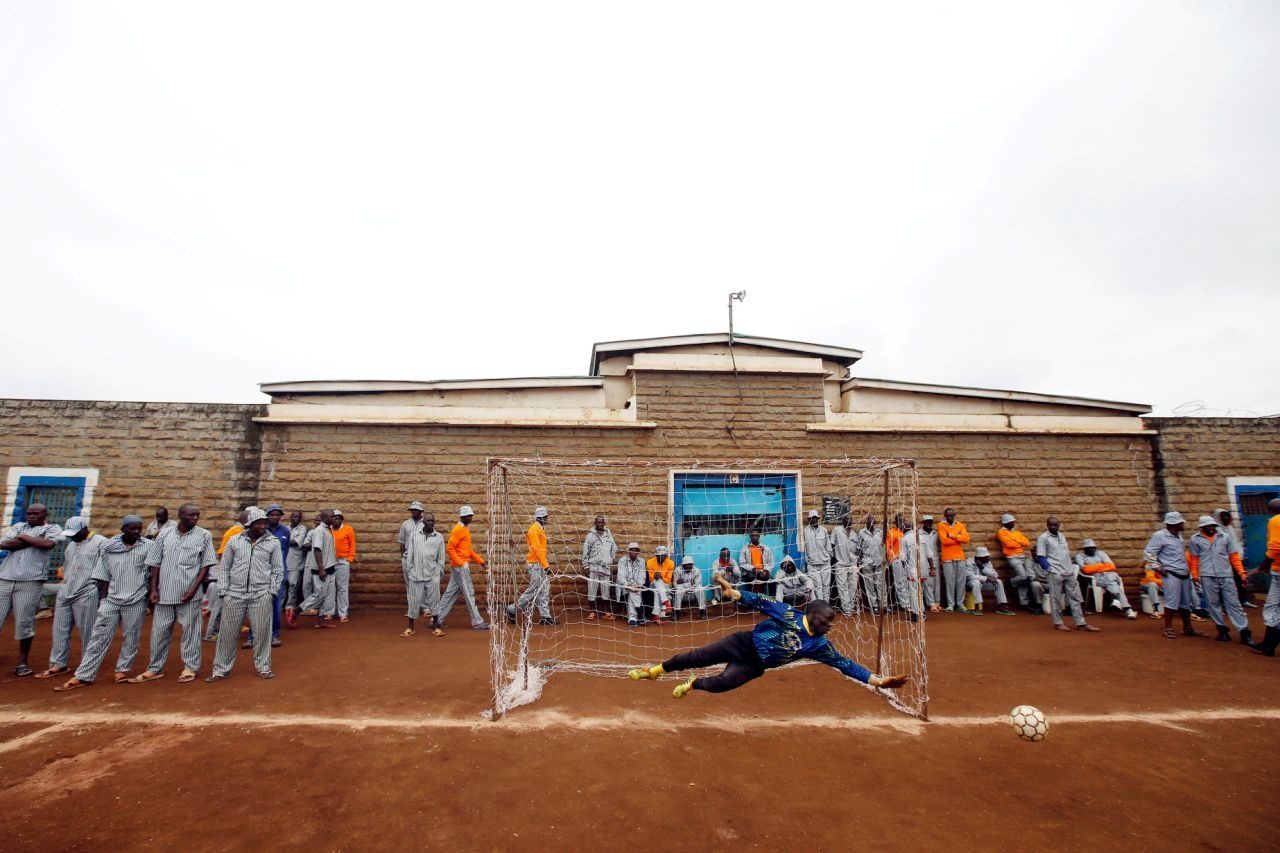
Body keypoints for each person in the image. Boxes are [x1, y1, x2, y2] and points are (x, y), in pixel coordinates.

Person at [627, 574, 909, 698]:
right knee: (697, 656)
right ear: (813, 614)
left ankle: (694, 685)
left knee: (723, 684)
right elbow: (759, 601)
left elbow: (845, 664)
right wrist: (734, 593)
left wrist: (878, 680)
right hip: (742, 643)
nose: (830, 625)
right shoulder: (788, 614)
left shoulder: (819, 645)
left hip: (754, 665)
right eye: (827, 620)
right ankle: (655, 670)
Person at [54, 516, 153, 691]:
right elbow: (103, 575)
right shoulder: (109, 547)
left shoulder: (148, 546)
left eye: (139, 528)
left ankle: (122, 670)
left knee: (131, 637)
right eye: (132, 529)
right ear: (123, 529)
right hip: (112, 600)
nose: (137, 532)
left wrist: (149, 595)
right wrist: (104, 598)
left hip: (136, 599)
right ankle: (83, 675)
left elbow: (153, 571)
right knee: (98, 637)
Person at [131, 503, 217, 683]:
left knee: (190, 632)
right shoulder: (165, 534)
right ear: (180, 516)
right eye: (191, 515)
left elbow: (206, 564)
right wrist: (153, 589)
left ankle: (190, 667)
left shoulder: (204, 535)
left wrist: (194, 589)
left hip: (189, 594)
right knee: (159, 632)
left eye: (197, 515)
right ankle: (155, 668)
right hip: (164, 593)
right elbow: (155, 562)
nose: (195, 518)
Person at [206, 507, 284, 682]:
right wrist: (224, 591)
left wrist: (271, 591)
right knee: (227, 634)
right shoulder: (234, 541)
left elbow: (278, 570)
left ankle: (263, 667)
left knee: (262, 633)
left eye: (265, 523)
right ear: (250, 525)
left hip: (261, 593)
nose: (263, 526)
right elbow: (224, 567)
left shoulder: (273, 542)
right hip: (235, 593)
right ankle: (220, 670)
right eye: (259, 523)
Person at [36, 517, 107, 679]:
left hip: (86, 592)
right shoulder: (71, 545)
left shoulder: (101, 543)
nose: (71, 537)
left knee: (87, 630)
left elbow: (106, 570)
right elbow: (67, 568)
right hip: (65, 592)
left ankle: (87, 664)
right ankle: (57, 664)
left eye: (74, 534)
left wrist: (102, 595)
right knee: (59, 630)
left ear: (85, 529)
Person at [0, 504, 63, 677]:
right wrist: (31, 539)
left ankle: (22, 662)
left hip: (30, 581)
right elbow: (5, 544)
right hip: (4, 578)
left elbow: (48, 544)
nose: (31, 516)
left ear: (45, 514)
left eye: (36, 513)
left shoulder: (53, 528)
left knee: (24, 623)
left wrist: (22, 539)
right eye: (29, 513)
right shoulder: (19, 526)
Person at [1188, 516, 1253, 646]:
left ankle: (1244, 631)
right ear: (1202, 528)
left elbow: (1234, 557)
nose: (1211, 528)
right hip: (1207, 575)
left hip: (1226, 574)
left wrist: (1241, 573)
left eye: (1213, 526)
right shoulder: (1195, 540)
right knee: (1213, 603)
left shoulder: (1225, 537)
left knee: (1233, 603)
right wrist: (1195, 575)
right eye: (1208, 527)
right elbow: (1194, 559)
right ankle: (1222, 629)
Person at [1145, 511, 1204, 641]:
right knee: (1171, 601)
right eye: (1180, 523)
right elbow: (1149, 553)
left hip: (1183, 572)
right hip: (1171, 573)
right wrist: (1158, 568)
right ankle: (1168, 627)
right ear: (1174, 524)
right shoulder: (1160, 536)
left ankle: (1187, 627)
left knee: (1186, 603)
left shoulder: (1178, 536)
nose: (1183, 524)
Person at [1036, 517, 1100, 633]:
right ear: (1047, 525)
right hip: (1055, 572)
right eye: (1050, 525)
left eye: (1055, 525)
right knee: (1056, 599)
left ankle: (1081, 623)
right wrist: (1050, 569)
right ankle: (1058, 623)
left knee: (1075, 597)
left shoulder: (1062, 536)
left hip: (1068, 571)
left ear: (1059, 525)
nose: (1053, 527)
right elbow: (1040, 557)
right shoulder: (1043, 538)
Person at [439, 505, 490, 630]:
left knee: (449, 594)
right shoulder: (458, 530)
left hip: (459, 567)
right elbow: (449, 548)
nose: (471, 517)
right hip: (461, 568)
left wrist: (481, 561)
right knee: (469, 593)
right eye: (469, 516)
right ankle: (477, 621)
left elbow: (468, 550)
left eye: (471, 515)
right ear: (462, 517)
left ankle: (435, 619)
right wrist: (461, 563)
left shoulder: (465, 529)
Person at [508, 506, 556, 626]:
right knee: (534, 590)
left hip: (541, 563)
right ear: (540, 517)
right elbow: (536, 549)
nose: (546, 518)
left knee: (544, 590)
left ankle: (545, 616)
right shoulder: (533, 529)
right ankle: (512, 609)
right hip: (535, 564)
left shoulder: (541, 528)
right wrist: (546, 565)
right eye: (545, 517)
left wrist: (544, 564)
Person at [206, 509, 247, 643]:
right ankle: (211, 632)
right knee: (219, 604)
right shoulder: (234, 532)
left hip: (234, 574)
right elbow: (222, 554)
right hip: (226, 575)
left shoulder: (242, 532)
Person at [403, 512, 446, 637]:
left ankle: (436, 627)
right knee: (413, 601)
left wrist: (438, 572)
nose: (431, 523)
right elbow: (409, 554)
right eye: (428, 521)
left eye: (432, 521)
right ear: (423, 522)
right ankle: (410, 627)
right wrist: (410, 570)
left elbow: (441, 558)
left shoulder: (438, 537)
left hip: (432, 575)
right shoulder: (414, 536)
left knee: (434, 601)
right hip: (416, 575)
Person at [1075, 538, 1137, 620]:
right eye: (1089, 548)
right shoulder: (1079, 556)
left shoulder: (1101, 553)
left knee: (1110, 578)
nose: (1092, 549)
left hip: (1110, 575)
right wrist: (1102, 566)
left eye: (1093, 547)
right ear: (1085, 549)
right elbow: (1086, 570)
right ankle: (1127, 609)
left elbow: (1112, 566)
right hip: (1097, 578)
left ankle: (1115, 599)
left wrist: (1094, 568)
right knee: (1115, 585)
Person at [295, 509, 338, 629]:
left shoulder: (327, 529)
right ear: (325, 517)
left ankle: (320, 620)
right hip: (321, 568)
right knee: (318, 595)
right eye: (332, 517)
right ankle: (297, 610)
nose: (334, 519)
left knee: (326, 595)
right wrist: (321, 568)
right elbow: (317, 550)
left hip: (329, 567)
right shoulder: (319, 531)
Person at [1248, 498, 1280, 656]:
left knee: (1273, 608)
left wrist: (1264, 565)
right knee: (1274, 608)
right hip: (1277, 571)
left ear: (1269, 510)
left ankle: (1268, 645)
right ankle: (1268, 645)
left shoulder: (1275, 520)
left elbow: (1276, 546)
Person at [258, 503, 290, 648]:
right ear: (267, 515)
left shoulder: (285, 531)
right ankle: (254, 636)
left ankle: (274, 635)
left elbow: (286, 551)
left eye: (277, 514)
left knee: (276, 606)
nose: (275, 517)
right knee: (257, 606)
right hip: (261, 573)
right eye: (272, 514)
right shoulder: (260, 530)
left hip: (278, 574)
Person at [998, 514, 1044, 613]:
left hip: (1022, 556)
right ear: (1006, 523)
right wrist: (1018, 542)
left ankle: (1024, 603)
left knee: (1026, 579)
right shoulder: (1001, 532)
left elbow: (1026, 543)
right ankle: (1011, 583)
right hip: (1012, 557)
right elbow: (1008, 544)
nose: (1014, 523)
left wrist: (1015, 540)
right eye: (1012, 522)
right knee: (1023, 576)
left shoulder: (1017, 532)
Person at [1215, 507, 1257, 609]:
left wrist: (1240, 555)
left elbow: (1235, 543)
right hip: (1225, 561)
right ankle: (1225, 603)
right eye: (1223, 516)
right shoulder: (1217, 530)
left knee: (1241, 580)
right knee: (1227, 583)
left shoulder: (1230, 528)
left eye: (1226, 516)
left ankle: (1243, 600)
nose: (1225, 518)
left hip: (1237, 559)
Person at [581, 515, 618, 621]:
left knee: (605, 590)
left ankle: (605, 612)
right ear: (595, 524)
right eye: (598, 522)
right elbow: (585, 552)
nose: (600, 524)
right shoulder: (590, 536)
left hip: (605, 568)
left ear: (604, 524)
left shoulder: (609, 536)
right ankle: (592, 612)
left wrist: (610, 559)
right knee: (592, 590)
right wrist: (586, 566)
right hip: (594, 566)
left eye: (602, 522)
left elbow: (614, 548)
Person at [937, 508, 970, 613]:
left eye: (952, 515)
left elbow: (966, 539)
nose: (950, 517)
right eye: (948, 516)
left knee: (961, 582)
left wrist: (952, 535)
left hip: (960, 557)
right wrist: (958, 538)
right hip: (947, 559)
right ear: (945, 516)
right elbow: (944, 541)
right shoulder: (941, 525)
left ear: (954, 515)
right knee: (950, 582)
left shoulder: (959, 524)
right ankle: (951, 604)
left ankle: (960, 604)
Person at [965, 547, 1014, 616]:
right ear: (979, 557)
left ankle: (1001, 606)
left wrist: (982, 567)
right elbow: (969, 576)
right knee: (976, 582)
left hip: (983, 584)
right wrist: (986, 578)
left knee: (998, 582)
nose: (988, 558)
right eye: (986, 557)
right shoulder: (969, 562)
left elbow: (995, 575)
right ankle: (977, 607)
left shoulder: (987, 563)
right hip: (971, 584)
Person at [855, 514, 887, 613]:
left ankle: (884, 605)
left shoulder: (879, 532)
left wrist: (884, 558)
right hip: (867, 562)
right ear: (867, 522)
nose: (872, 523)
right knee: (870, 585)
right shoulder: (861, 532)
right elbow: (858, 549)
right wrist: (861, 561)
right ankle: (874, 606)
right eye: (870, 521)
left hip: (879, 562)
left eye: (873, 521)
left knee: (881, 584)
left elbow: (883, 546)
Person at [330, 509, 357, 622]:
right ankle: (330, 612)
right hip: (330, 561)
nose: (336, 520)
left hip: (342, 561)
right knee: (330, 588)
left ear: (341, 520)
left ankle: (342, 613)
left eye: (339, 518)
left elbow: (352, 544)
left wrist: (349, 558)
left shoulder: (347, 529)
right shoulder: (328, 529)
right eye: (334, 518)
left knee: (342, 588)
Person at [801, 510, 832, 602]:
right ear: (809, 519)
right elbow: (804, 548)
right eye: (812, 518)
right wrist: (807, 561)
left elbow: (828, 546)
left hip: (825, 563)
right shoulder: (805, 531)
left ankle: (826, 605)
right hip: (812, 564)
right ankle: (821, 606)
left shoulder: (823, 530)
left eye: (816, 518)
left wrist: (828, 557)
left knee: (826, 585)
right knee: (817, 586)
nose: (814, 520)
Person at [284, 509, 310, 621]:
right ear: (290, 517)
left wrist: (283, 540)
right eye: (294, 517)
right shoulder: (285, 528)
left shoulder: (302, 529)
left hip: (296, 562)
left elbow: (295, 542)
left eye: (298, 517)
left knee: (293, 586)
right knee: (282, 586)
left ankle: (289, 607)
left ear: (300, 519)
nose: (295, 519)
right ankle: (279, 607)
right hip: (283, 561)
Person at [830, 515, 858, 615]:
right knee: (842, 586)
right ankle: (846, 608)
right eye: (847, 518)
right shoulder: (837, 530)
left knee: (853, 586)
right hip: (840, 563)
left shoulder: (854, 534)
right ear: (843, 520)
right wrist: (835, 559)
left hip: (852, 564)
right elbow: (832, 544)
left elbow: (857, 549)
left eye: (850, 518)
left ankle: (850, 606)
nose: (849, 520)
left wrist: (856, 559)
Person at [617, 542, 648, 626]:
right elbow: (621, 577)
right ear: (629, 551)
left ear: (638, 552)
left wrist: (637, 585)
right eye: (632, 550)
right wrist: (629, 586)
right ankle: (641, 615)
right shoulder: (622, 560)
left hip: (637, 586)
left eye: (636, 550)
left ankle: (632, 618)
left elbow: (642, 576)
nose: (634, 552)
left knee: (633, 593)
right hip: (624, 584)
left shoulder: (641, 561)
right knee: (633, 592)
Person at [916, 515, 941, 613]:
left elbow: (938, 546)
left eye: (930, 522)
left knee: (937, 582)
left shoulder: (936, 533)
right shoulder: (919, 533)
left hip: (935, 559)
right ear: (923, 523)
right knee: (928, 582)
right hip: (924, 560)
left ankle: (937, 602)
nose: (929, 524)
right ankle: (931, 603)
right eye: (927, 522)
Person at [737, 530, 774, 595]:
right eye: (752, 536)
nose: (754, 537)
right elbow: (742, 563)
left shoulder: (765, 548)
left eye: (756, 535)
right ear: (750, 537)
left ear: (759, 536)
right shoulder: (745, 548)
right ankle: (752, 598)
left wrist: (766, 570)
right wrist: (753, 569)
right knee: (751, 577)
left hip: (763, 571)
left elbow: (771, 562)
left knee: (772, 580)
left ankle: (771, 600)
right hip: (750, 571)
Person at [397, 501, 425, 585]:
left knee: (420, 582)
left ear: (420, 511)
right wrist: (403, 558)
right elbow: (402, 542)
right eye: (412, 509)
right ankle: (410, 599)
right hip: (407, 557)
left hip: (421, 558)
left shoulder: (426, 523)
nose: (414, 511)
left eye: (416, 510)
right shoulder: (405, 524)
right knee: (408, 582)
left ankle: (419, 598)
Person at [672, 555, 707, 620]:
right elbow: (675, 584)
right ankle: (676, 613)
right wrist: (689, 584)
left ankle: (702, 612)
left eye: (690, 564)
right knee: (678, 589)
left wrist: (684, 584)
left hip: (693, 594)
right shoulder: (677, 570)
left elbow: (697, 584)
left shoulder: (696, 570)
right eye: (687, 564)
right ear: (683, 565)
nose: (689, 566)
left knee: (700, 588)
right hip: (683, 595)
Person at [646, 545, 675, 624]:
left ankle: (656, 617)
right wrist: (655, 577)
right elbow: (651, 579)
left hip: (666, 585)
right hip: (653, 584)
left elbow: (668, 580)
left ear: (666, 556)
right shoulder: (650, 562)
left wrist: (661, 577)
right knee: (657, 582)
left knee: (657, 592)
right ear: (656, 556)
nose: (661, 557)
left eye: (663, 556)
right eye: (659, 556)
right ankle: (668, 605)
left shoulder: (670, 563)